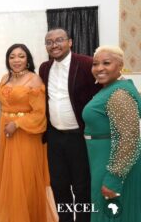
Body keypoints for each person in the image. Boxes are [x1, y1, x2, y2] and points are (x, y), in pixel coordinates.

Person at [0, 44, 58, 222]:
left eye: (21, 56)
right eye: (12, 56)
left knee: (25, 178)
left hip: (26, 135)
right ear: (7, 60)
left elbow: (39, 114)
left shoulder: (34, 80)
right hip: (6, 135)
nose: (16, 60)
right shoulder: (5, 78)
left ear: (28, 59)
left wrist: (18, 123)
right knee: (9, 180)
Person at [39, 28, 101, 222]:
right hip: (55, 136)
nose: (54, 45)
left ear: (70, 42)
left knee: (82, 186)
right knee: (59, 185)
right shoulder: (44, 68)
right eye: (49, 42)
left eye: (59, 40)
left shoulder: (86, 63)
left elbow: (101, 93)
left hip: (80, 136)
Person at [82, 46, 141, 222]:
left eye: (106, 63)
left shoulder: (119, 93)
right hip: (103, 161)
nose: (99, 68)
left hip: (112, 166)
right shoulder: (111, 88)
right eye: (95, 64)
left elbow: (129, 139)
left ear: (120, 65)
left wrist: (114, 179)